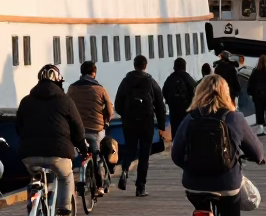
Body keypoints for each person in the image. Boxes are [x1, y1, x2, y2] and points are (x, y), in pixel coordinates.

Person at [171, 73, 264, 216]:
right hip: (227, 184)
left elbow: (175, 154)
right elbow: (257, 152)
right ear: (226, 93)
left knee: (201, 211)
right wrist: (258, 158)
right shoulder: (235, 117)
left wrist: (191, 168)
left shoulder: (190, 118)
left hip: (194, 185)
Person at [16, 63, 88, 216]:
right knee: (65, 177)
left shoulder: (26, 101)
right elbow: (78, 129)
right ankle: (65, 213)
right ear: (58, 82)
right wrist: (83, 148)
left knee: (35, 177)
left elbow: (18, 127)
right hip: (58, 153)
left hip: (29, 155)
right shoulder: (65, 100)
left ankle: (32, 207)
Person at [114, 55, 166, 196]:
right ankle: (140, 187)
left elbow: (118, 104)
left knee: (130, 149)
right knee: (144, 154)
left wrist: (125, 114)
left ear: (134, 65)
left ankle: (124, 170)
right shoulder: (151, 82)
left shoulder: (126, 81)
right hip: (146, 121)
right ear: (145, 65)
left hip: (129, 121)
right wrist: (161, 126)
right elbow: (160, 106)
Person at [67, 60, 113, 195]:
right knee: (97, 155)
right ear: (94, 73)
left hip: (77, 131)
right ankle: (99, 186)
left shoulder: (71, 89)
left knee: (74, 154)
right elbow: (109, 112)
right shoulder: (100, 89)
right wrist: (106, 121)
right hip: (96, 129)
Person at [162, 57, 196, 138]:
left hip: (174, 111)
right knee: (187, 133)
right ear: (184, 67)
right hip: (186, 111)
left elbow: (164, 92)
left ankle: (175, 147)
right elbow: (196, 91)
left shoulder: (170, 78)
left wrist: (170, 102)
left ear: (174, 67)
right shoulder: (188, 78)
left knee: (175, 132)